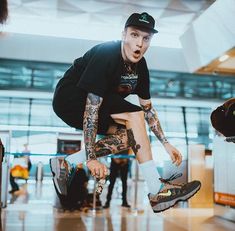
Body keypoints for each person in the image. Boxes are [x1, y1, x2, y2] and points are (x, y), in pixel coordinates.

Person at [51, 12, 201, 213]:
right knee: (134, 116)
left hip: (99, 102)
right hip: (70, 97)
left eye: (146, 38)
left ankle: (67, 164)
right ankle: (156, 191)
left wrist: (165, 143)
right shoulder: (107, 53)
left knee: (132, 135)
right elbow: (91, 109)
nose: (139, 44)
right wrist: (91, 158)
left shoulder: (141, 67)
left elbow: (148, 109)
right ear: (124, 35)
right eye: (134, 35)